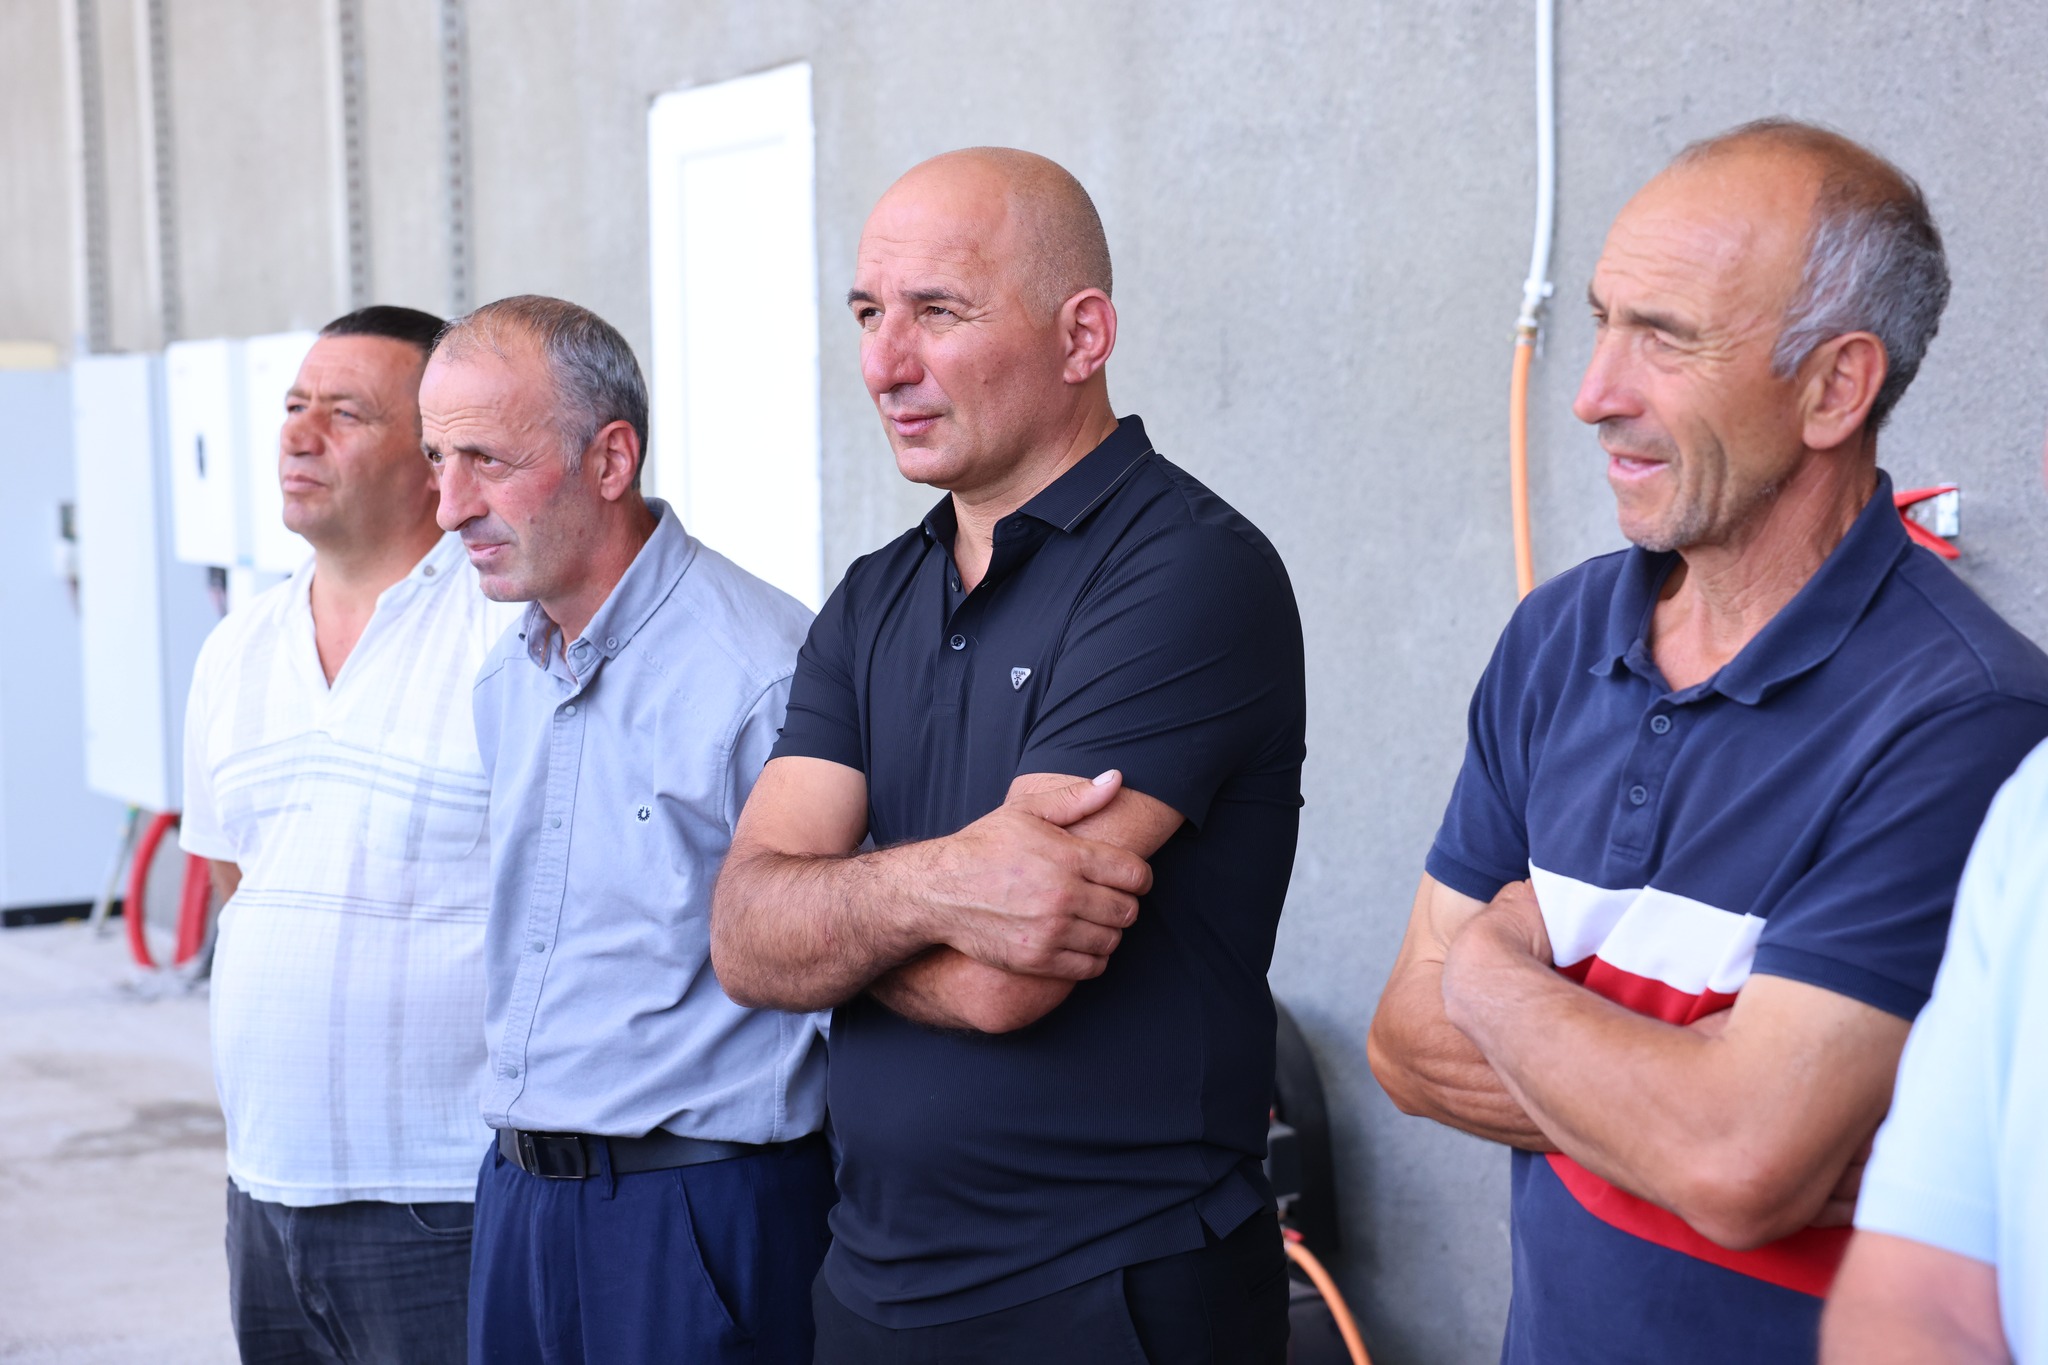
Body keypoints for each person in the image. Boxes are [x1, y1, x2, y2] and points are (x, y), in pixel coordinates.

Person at [1365, 118, 2048, 1364]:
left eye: (1664, 338)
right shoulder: (1556, 636)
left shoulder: (1964, 718)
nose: (1592, 394)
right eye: (1601, 321)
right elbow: (1401, 1050)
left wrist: (1490, 975)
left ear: (1832, 388)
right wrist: (1680, 1106)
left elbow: (1734, 1164)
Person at [709, 148, 1307, 1364]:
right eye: (868, 314)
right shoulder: (873, 597)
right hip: (869, 1280)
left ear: (1081, 335)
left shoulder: (1185, 570)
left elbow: (1004, 975)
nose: (884, 363)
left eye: (938, 311)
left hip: (1109, 1290)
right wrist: (934, 888)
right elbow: (741, 939)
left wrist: (830, 919)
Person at [419, 294, 830, 1365]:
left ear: (611, 459)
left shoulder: (760, 672)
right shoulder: (509, 676)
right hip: (520, 1198)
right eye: (436, 459)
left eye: (487, 461)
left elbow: (844, 970)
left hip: (695, 1214)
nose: (449, 507)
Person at [180, 304, 515, 1363]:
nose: (298, 432)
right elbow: (239, 884)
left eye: (345, 412)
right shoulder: (235, 649)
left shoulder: (509, 636)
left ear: (433, 460)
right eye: (293, 406)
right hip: (264, 1192)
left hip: (445, 1197)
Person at [1822, 642, 2048, 1355]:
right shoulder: (2036, 806)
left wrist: (1509, 982)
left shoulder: (1977, 702)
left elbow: (1737, 1160)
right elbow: (1917, 1299)